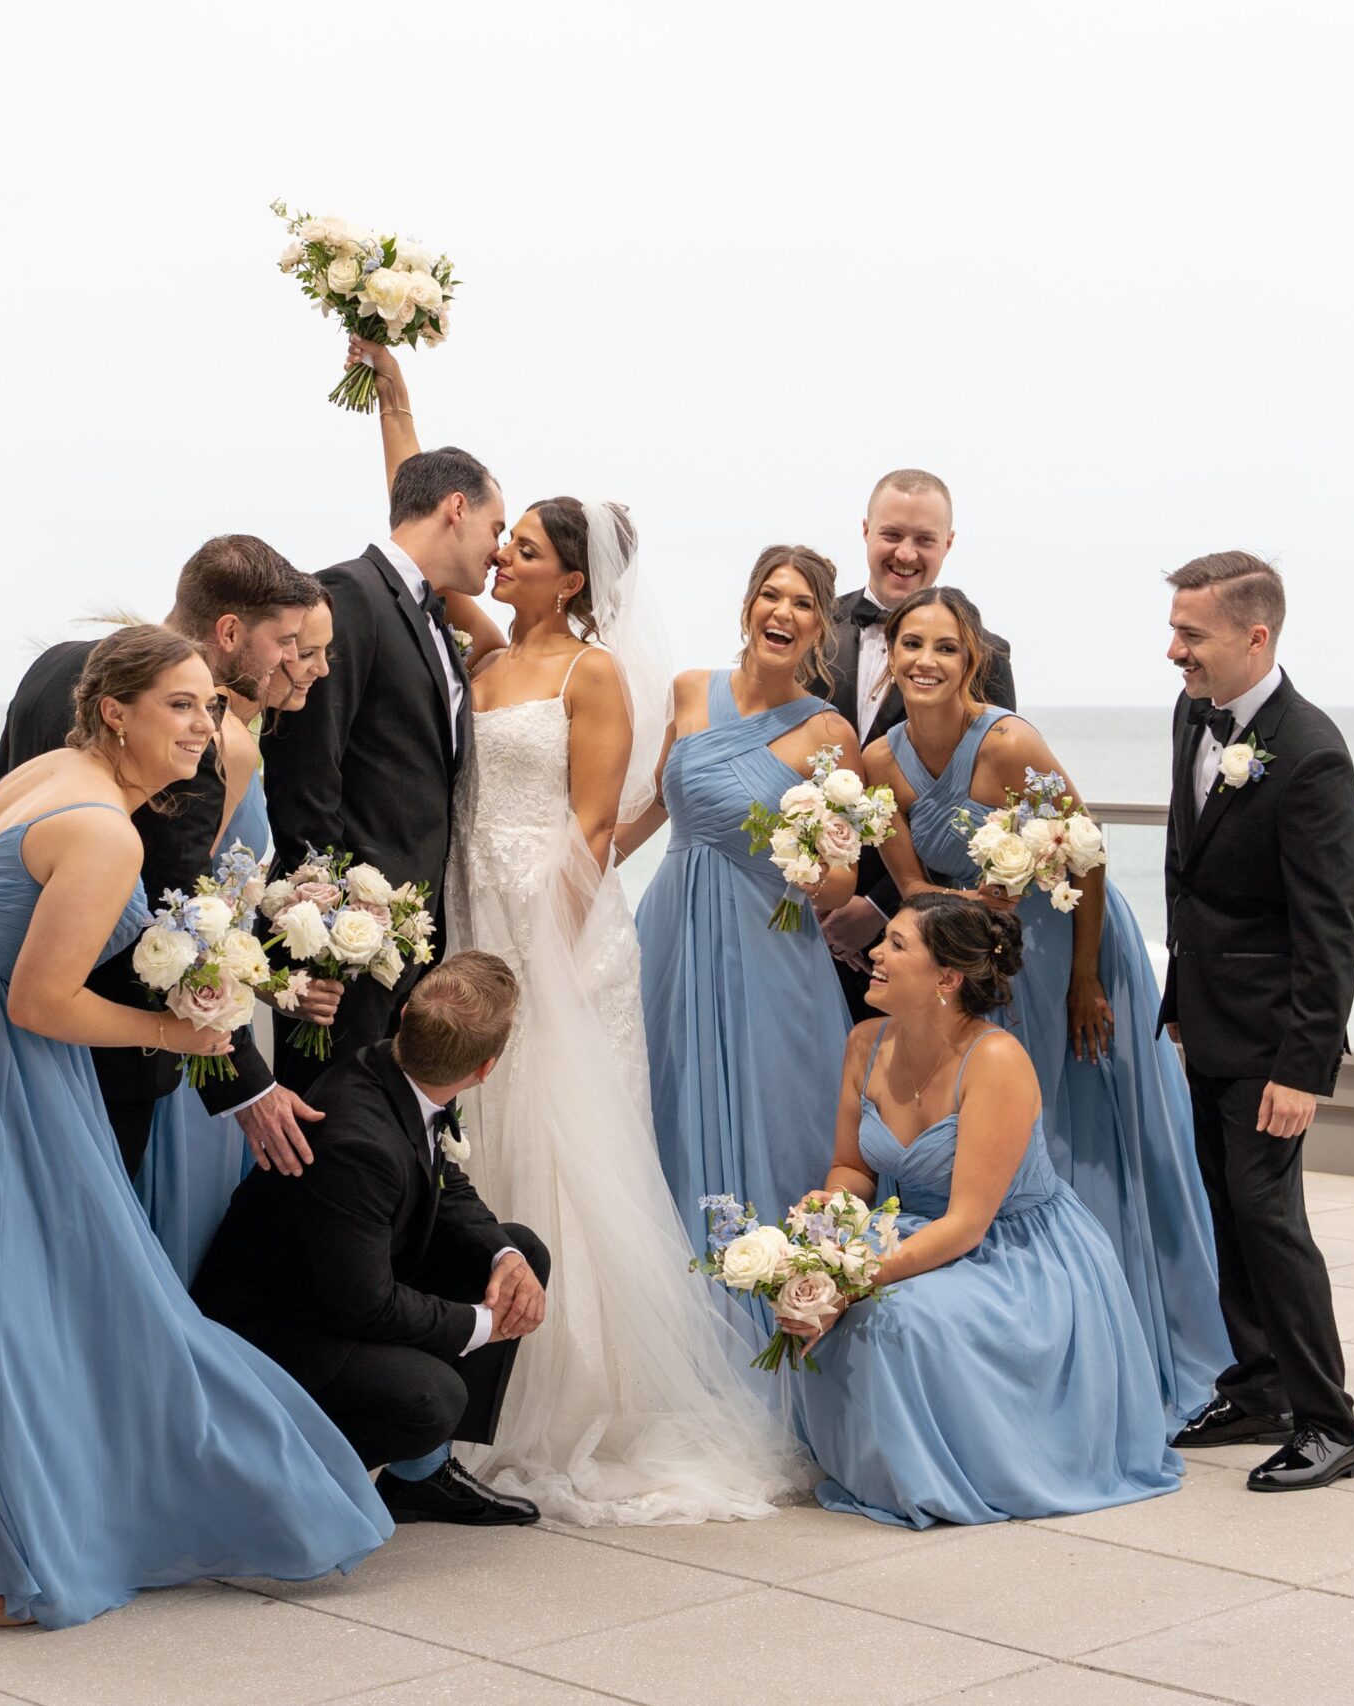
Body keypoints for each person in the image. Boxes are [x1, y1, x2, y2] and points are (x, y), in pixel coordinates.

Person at [0, 624, 389, 1632]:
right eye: (179, 703)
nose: (203, 727)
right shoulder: (105, 830)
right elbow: (39, 1002)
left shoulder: (45, 770)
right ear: (113, 709)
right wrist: (178, 1025)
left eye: (211, 706)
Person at [338, 340, 809, 1522]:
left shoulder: (593, 675)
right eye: (502, 544)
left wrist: (525, 971)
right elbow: (418, 532)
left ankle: (563, 1396)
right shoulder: (488, 654)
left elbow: (592, 835)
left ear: (568, 576)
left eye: (526, 551)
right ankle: (456, 1397)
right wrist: (393, 404)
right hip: (467, 912)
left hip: (547, 935)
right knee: (480, 1139)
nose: (501, 558)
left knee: (561, 1143)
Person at [860, 587, 1230, 1426]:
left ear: (972, 661)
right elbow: (913, 890)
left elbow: (1087, 853)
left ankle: (1130, 1338)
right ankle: (1024, 1342)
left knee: (1087, 1137)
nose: (926, 661)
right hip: (983, 968)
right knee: (1016, 1145)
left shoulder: (1008, 741)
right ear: (890, 656)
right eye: (910, 644)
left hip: (1070, 948)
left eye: (946, 648)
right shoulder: (879, 762)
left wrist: (1087, 980)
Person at [782, 894, 1183, 1527]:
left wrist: (854, 1277)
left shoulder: (994, 1059)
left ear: (947, 978)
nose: (875, 955)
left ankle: (947, 1471)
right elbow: (853, 1167)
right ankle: (875, 1466)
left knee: (897, 1316)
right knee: (802, 1291)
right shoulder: (865, 1042)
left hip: (1017, 1255)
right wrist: (827, 1212)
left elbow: (968, 1223)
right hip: (921, 1230)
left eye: (896, 945)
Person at [0, 536, 338, 1185]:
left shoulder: (55, 666)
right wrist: (248, 1086)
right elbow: (172, 917)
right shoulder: (193, 737)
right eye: (287, 642)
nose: (296, 659)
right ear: (230, 631)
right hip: (108, 1046)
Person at [194, 952, 553, 1527]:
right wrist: (487, 1323)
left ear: (407, 1014)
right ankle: (268, 1486)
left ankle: (418, 1480)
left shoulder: (402, 1062)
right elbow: (364, 1304)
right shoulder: (359, 1139)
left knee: (519, 1251)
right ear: (486, 1069)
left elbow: (444, 1179)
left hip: (347, 1279)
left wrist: (502, 1255)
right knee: (430, 1398)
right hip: (275, 1326)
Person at [1160, 550, 1354, 1492]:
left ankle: (1329, 1421)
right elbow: (1188, 874)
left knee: (1269, 1218)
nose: (1174, 651)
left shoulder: (1313, 752)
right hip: (1206, 1021)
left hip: (1274, 1041)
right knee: (1224, 1212)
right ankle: (1257, 1387)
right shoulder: (1191, 715)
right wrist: (1178, 1002)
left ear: (1256, 636)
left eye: (1192, 635)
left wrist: (1304, 1067)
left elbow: (1331, 926)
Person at [621, 547, 862, 1256]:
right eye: (771, 595)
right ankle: (667, 1275)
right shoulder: (690, 690)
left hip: (770, 941)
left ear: (820, 629)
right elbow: (653, 804)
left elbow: (843, 880)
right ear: (750, 605)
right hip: (674, 925)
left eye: (803, 604)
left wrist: (817, 871)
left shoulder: (830, 735)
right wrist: (583, 871)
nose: (782, 612)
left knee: (776, 1111)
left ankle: (768, 1268)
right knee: (663, 1087)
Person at [260, 405, 506, 1095]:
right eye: (496, 526)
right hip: (348, 948)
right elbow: (306, 770)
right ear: (456, 507)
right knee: (334, 1127)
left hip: (407, 938)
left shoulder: (434, 616)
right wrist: (331, 925)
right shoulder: (350, 594)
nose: (499, 546)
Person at [134, 592, 335, 1285]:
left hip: (226, 1012)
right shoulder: (228, 746)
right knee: (181, 1216)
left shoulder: (244, 739)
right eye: (300, 650)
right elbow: (184, 907)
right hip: (199, 1022)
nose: (314, 668)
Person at [816, 471, 1016, 1021]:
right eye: (892, 534)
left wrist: (877, 905)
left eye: (925, 539)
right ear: (865, 531)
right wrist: (818, 894)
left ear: (948, 544)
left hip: (917, 931)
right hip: (803, 914)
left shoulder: (987, 655)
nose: (906, 553)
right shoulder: (812, 627)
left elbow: (984, 813)